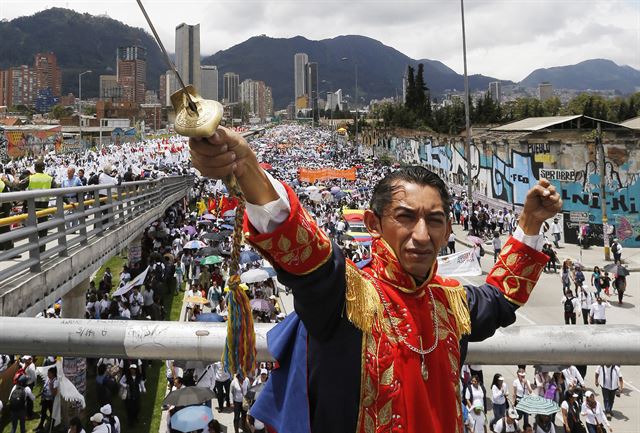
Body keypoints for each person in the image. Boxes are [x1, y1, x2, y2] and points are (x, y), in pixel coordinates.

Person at [189, 126, 560, 432]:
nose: (421, 234)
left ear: (448, 230)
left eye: (434, 220)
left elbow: (500, 298)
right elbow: (306, 252)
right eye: (405, 217)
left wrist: (529, 224)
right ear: (373, 224)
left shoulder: (452, 303)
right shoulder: (346, 295)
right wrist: (247, 168)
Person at [27, 160, 56, 252]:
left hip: (32, 209)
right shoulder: (49, 178)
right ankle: (42, 251)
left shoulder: (30, 178)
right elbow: (59, 192)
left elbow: (17, 186)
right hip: (43, 209)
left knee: (32, 230)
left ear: (35, 168)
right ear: (44, 168)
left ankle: (33, 251)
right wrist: (68, 203)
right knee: (43, 231)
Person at [35, 366, 58, 432]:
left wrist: (51, 386)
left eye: (49, 373)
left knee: (52, 415)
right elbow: (44, 388)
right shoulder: (48, 379)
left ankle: (51, 428)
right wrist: (39, 395)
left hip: (51, 401)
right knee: (43, 413)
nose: (47, 374)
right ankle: (40, 426)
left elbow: (54, 393)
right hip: (45, 400)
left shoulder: (55, 381)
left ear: (53, 374)